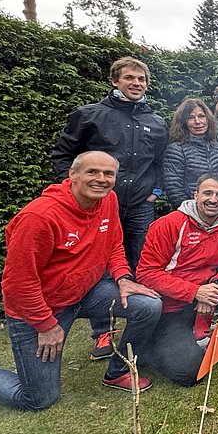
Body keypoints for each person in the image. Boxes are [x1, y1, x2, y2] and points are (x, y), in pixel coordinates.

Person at [0, 152, 163, 410]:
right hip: (39, 309)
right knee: (39, 399)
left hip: (84, 294)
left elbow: (113, 243)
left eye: (108, 174)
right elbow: (17, 284)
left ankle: (118, 372)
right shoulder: (39, 217)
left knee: (148, 306)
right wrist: (45, 325)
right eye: (92, 172)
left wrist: (123, 277)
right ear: (72, 174)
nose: (101, 179)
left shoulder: (108, 200)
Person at [52, 57, 167, 359]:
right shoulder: (90, 115)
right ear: (114, 81)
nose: (136, 83)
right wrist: (76, 191)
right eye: (129, 78)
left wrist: (155, 192)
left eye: (141, 79)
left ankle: (144, 323)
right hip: (98, 208)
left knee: (142, 261)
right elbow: (63, 155)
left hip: (140, 205)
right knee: (99, 266)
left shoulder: (156, 122)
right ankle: (103, 331)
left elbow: (159, 162)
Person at [135, 173, 218, 373]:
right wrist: (195, 292)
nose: (213, 199)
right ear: (196, 195)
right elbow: (146, 273)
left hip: (207, 292)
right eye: (207, 193)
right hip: (172, 303)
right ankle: (153, 344)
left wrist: (216, 286)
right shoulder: (169, 224)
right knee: (189, 372)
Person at [163, 98, 218, 210]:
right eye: (191, 118)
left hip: (215, 209)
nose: (197, 121)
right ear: (183, 122)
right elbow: (174, 189)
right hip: (189, 211)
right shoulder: (176, 149)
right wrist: (195, 212)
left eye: (201, 116)